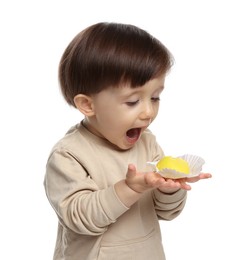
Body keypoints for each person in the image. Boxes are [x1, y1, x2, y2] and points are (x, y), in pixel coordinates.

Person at [44, 22, 211, 260]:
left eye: (155, 97)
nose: (148, 112)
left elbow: (167, 212)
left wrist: (169, 189)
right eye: (133, 101)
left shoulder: (147, 143)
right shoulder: (69, 154)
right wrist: (129, 188)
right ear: (88, 105)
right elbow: (79, 218)